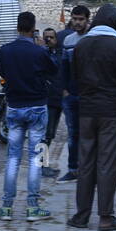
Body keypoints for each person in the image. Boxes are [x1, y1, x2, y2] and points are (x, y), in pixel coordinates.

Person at [67, 4, 116, 231]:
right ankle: (106, 217)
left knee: (86, 163)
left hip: (87, 111)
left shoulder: (81, 45)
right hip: (113, 112)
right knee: (108, 163)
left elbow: (75, 77)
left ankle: (81, 215)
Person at [0, 11, 57, 221]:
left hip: (14, 107)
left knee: (12, 157)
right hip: (37, 107)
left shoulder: (5, 50)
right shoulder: (38, 51)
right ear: (33, 28)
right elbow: (53, 70)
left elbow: (3, 73)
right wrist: (44, 49)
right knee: (35, 158)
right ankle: (32, 207)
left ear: (17, 26)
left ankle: (6, 207)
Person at [55, 5, 90, 182]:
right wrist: (65, 91)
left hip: (90, 96)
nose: (77, 22)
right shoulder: (68, 40)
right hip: (72, 96)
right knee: (73, 134)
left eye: (81, 19)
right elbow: (64, 68)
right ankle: (73, 169)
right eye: (75, 19)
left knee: (90, 134)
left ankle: (89, 170)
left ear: (87, 20)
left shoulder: (93, 39)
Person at [40, 28, 64, 178]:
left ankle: (43, 165)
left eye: (51, 37)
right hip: (47, 99)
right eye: (46, 38)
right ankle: (41, 165)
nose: (49, 40)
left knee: (51, 134)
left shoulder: (59, 53)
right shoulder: (42, 54)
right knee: (45, 135)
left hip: (58, 99)